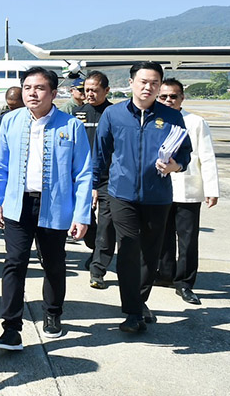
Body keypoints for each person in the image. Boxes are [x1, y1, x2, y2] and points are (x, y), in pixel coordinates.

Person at [0, 67, 93, 350]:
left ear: (53, 93)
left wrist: (81, 215)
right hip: (18, 205)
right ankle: (11, 328)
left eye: (39, 88)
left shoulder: (71, 126)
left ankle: (53, 312)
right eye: (27, 88)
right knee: (14, 263)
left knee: (54, 263)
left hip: (55, 206)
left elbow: (83, 173)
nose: (32, 93)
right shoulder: (10, 121)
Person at [93, 61, 192, 333]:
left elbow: (185, 152)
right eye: (143, 81)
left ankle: (140, 300)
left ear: (160, 86)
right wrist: (93, 187)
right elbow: (100, 154)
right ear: (131, 83)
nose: (148, 87)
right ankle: (133, 312)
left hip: (157, 196)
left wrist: (175, 166)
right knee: (127, 249)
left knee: (150, 253)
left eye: (154, 83)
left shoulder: (171, 117)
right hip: (121, 194)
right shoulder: (113, 114)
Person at [156, 79, 219, 305]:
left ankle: (184, 282)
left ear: (182, 98)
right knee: (162, 236)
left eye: (173, 96)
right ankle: (165, 274)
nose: (168, 100)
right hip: (160, 189)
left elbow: (207, 157)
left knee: (187, 240)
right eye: (163, 96)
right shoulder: (154, 121)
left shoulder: (195, 122)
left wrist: (211, 189)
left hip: (188, 189)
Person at [74, 71, 115, 289]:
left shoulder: (115, 114)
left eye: (94, 90)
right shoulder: (78, 114)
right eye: (86, 90)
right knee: (87, 222)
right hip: (82, 178)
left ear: (106, 91)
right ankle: (96, 249)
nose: (89, 94)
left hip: (108, 178)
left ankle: (97, 270)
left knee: (107, 225)